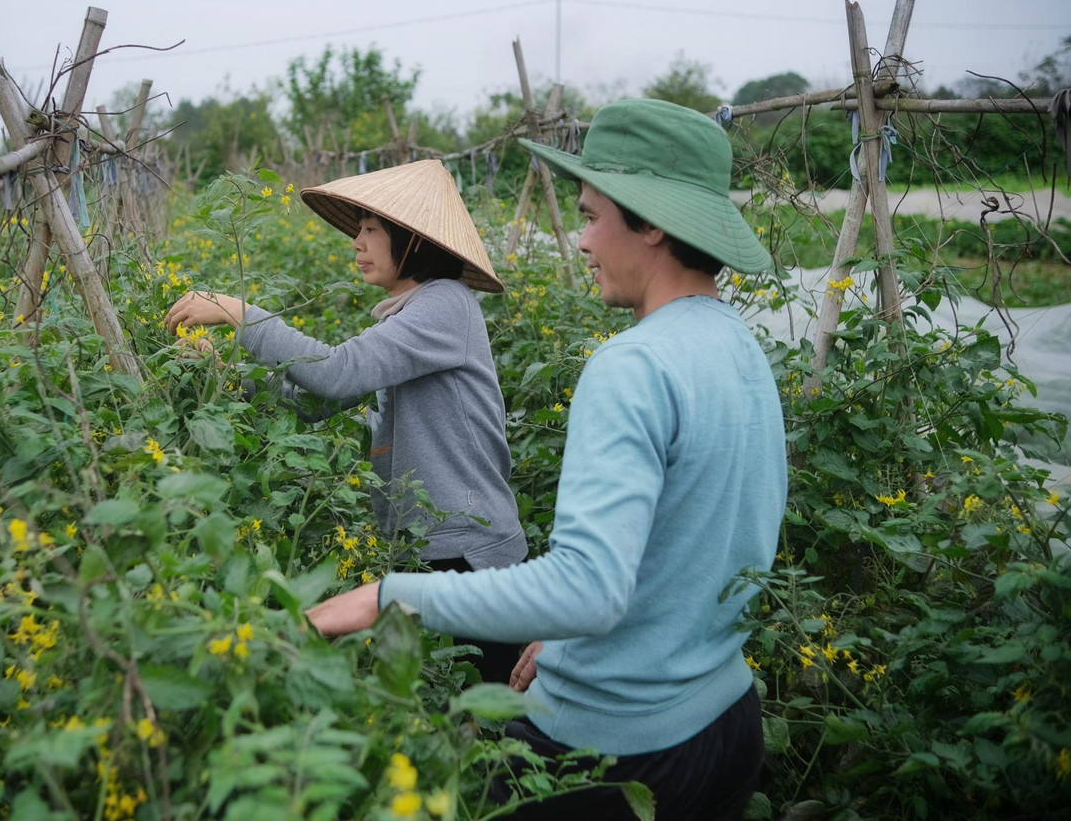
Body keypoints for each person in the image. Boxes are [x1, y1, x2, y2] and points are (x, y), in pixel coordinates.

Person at [307, 99, 787, 820]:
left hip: (611, 754)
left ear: (651, 223)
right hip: (724, 725)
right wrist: (559, 632)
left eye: (592, 216)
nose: (583, 241)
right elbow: (696, 548)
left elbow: (590, 588)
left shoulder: (633, 365)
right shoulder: (739, 349)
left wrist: (386, 596)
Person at [164, 159, 527, 682]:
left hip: (467, 553)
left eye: (371, 229)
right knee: (447, 715)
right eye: (358, 229)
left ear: (413, 240)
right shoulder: (406, 314)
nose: (356, 242)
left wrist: (240, 311)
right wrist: (223, 372)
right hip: (423, 549)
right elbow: (317, 402)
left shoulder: (446, 305)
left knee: (496, 719)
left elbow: (336, 373)